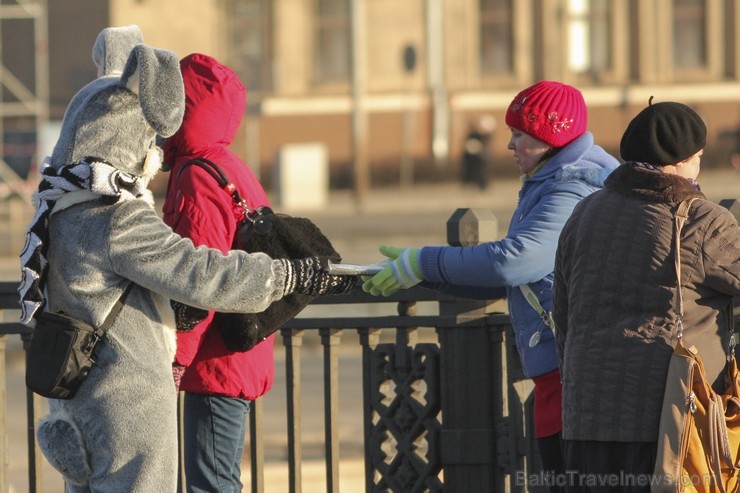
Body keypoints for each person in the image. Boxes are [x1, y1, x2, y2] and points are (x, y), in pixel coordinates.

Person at [21, 30, 354, 492]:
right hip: (125, 402)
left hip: (76, 398)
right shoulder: (114, 217)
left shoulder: (56, 208)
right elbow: (199, 271)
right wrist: (286, 275)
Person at [362, 80, 620, 492]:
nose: (510, 145)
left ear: (552, 138)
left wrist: (423, 260)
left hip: (571, 371)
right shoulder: (555, 177)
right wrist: (424, 272)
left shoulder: (572, 185)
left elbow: (516, 260)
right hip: (563, 368)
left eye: (521, 135)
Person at [552, 99, 740, 492]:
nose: (698, 167)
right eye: (698, 157)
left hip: (587, 416)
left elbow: (563, 313)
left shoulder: (585, 212)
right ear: (680, 160)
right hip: (669, 416)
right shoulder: (700, 220)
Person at [161, 53, 273, 492]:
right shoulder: (228, 165)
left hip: (214, 358)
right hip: (237, 348)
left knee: (212, 485)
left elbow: (201, 277)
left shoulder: (197, 175)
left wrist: (177, 357)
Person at [461, 115, 495, 190]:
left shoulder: (479, 135)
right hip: (472, 157)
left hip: (479, 156)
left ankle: (481, 184)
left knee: (481, 170)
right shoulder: (472, 135)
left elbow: (484, 144)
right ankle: (472, 183)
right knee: (472, 171)